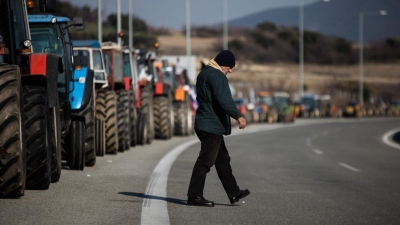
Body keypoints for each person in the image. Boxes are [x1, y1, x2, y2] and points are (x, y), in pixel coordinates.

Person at [187, 50, 250, 207]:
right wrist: (239, 116)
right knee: (205, 161)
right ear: (224, 64)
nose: (231, 70)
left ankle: (234, 192)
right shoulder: (217, 76)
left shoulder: (204, 73)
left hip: (205, 123)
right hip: (211, 125)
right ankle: (194, 196)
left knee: (222, 160)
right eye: (230, 66)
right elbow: (224, 99)